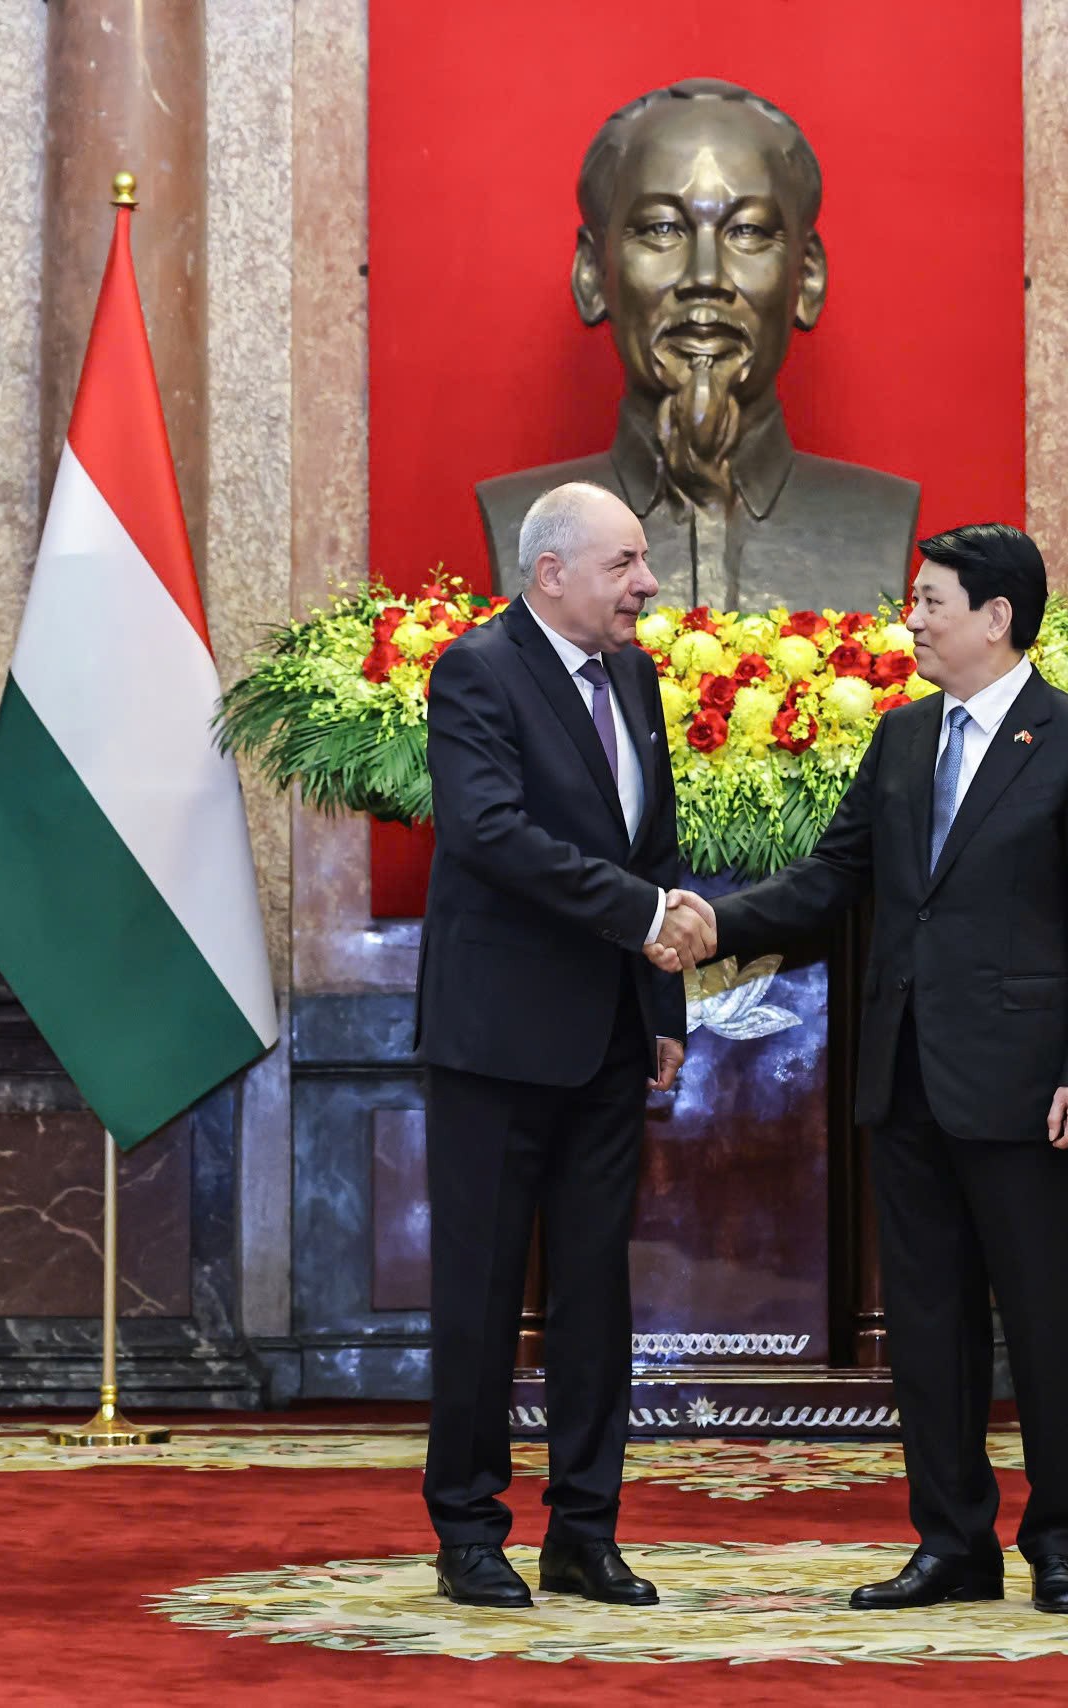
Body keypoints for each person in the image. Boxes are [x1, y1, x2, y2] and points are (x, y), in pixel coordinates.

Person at [652, 524, 1068, 1615]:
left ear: (996, 617)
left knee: (1047, 1327)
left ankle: (1061, 1544)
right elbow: (832, 880)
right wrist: (713, 922)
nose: (909, 620)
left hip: (1032, 1091)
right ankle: (952, 1544)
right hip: (908, 1081)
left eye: (929, 602)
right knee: (927, 1329)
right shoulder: (904, 735)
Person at [417, 480, 713, 1609]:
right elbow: (489, 832)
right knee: (484, 1291)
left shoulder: (631, 675)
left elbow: (655, 844)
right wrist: (642, 917)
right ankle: (468, 1530)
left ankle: (585, 1530)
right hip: (496, 1039)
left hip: (609, 1037)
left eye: (643, 562)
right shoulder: (477, 671)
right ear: (551, 573)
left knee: (595, 1297)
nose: (647, 584)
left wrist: (664, 1005)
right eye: (625, 563)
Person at [476, 77, 919, 613]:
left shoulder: (881, 519)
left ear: (806, 278)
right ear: (592, 274)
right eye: (662, 229)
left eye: (747, 231)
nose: (705, 277)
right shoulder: (519, 521)